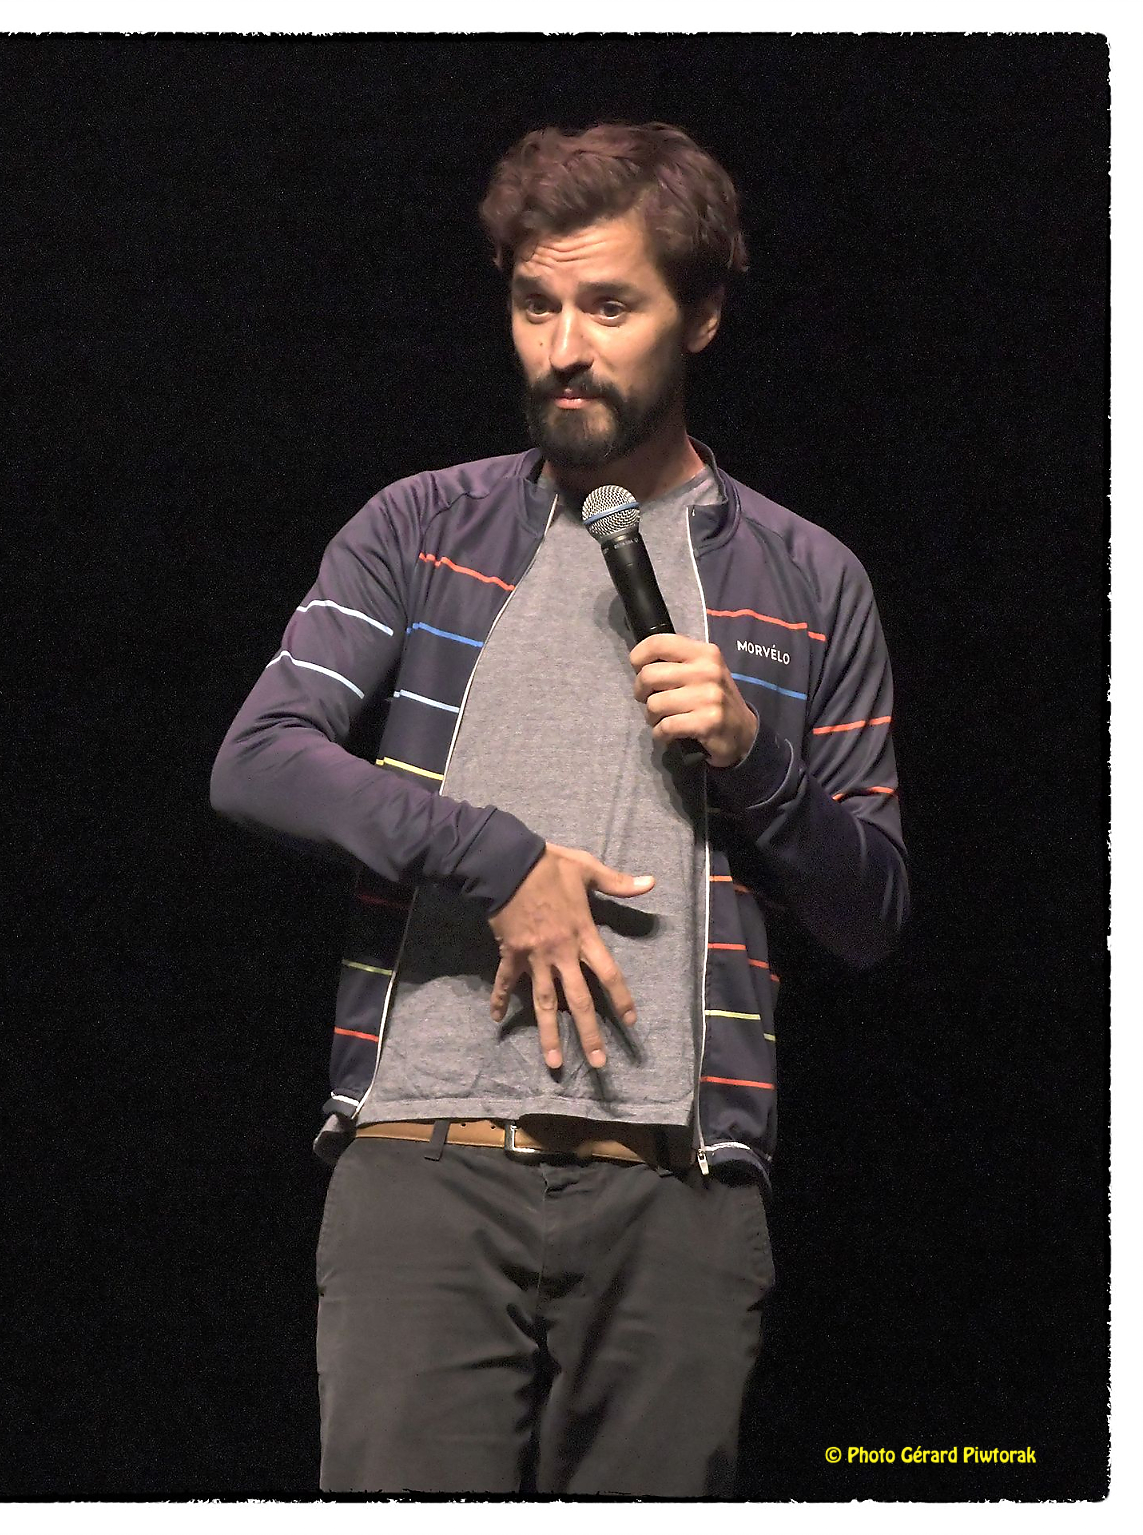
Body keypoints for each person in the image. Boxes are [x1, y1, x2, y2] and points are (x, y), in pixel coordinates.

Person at [209, 121, 908, 1497]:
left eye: (609, 306)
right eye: (536, 305)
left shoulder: (808, 580)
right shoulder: (422, 530)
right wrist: (493, 854)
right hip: (425, 1164)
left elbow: (872, 912)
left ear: (701, 315)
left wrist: (757, 757)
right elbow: (262, 759)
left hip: (679, 1188)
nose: (564, 349)